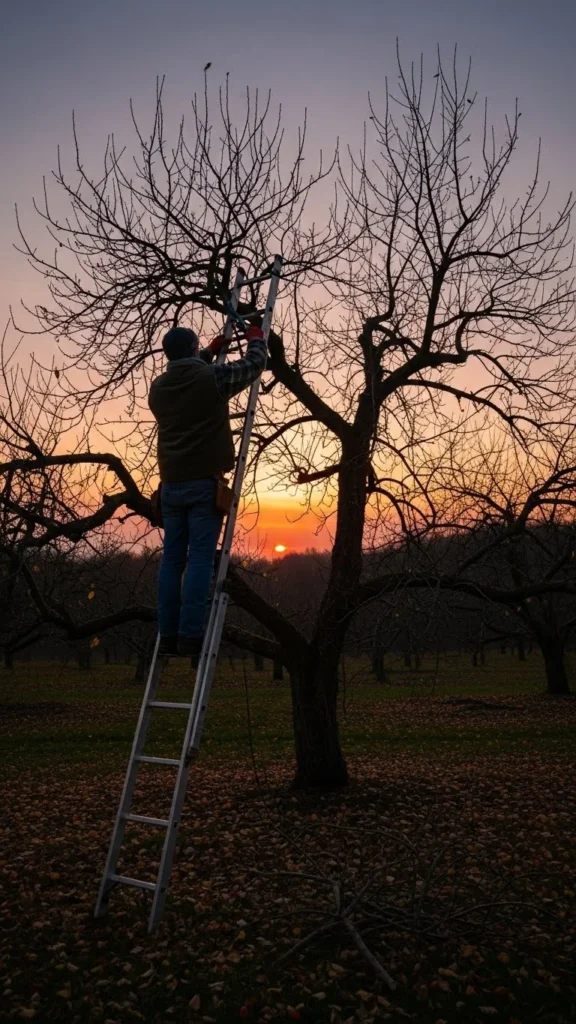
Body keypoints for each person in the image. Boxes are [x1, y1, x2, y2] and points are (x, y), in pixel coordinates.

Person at [148, 320, 267, 657]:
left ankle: (169, 635)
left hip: (170, 487)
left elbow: (189, 381)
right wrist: (257, 339)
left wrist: (208, 353)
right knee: (200, 559)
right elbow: (254, 365)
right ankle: (191, 635)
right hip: (204, 484)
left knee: (172, 561)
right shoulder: (211, 378)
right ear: (192, 350)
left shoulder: (158, 388)